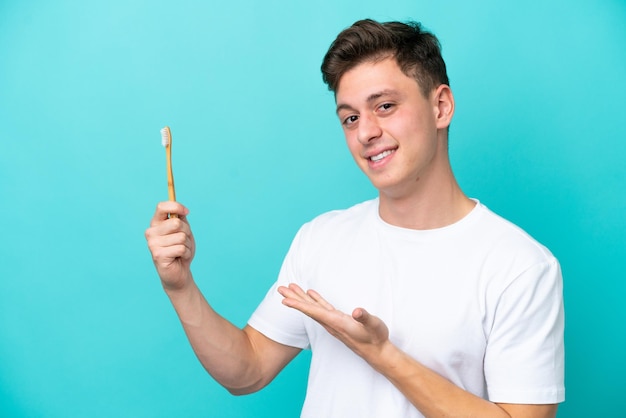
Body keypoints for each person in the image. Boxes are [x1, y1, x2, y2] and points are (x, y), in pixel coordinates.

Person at [145, 19, 564, 418]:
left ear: (441, 106)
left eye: (384, 106)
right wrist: (180, 287)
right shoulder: (322, 238)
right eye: (350, 118)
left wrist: (383, 355)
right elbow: (247, 370)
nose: (366, 132)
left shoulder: (520, 266)